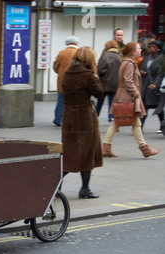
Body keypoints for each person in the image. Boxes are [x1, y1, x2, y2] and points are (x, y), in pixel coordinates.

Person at [102, 42, 160, 158]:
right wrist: (136, 93)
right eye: (138, 49)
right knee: (127, 123)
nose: (140, 51)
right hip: (127, 97)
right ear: (132, 51)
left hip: (124, 96)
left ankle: (106, 148)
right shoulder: (129, 63)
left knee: (124, 123)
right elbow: (128, 81)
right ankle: (145, 149)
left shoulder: (127, 62)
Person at [61, 46, 104, 199]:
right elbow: (99, 93)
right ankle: (84, 189)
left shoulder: (68, 73)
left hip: (69, 119)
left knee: (69, 154)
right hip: (85, 120)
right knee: (86, 154)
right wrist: (95, 74)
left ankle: (55, 185)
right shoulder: (88, 76)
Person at [52, 35, 79, 127]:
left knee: (61, 101)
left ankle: (58, 119)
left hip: (62, 81)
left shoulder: (62, 53)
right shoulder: (79, 53)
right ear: (76, 43)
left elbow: (55, 67)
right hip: (76, 81)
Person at [140, 39, 163, 132]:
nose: (151, 49)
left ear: (158, 49)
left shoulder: (161, 59)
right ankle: (139, 128)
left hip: (155, 86)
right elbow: (141, 68)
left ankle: (162, 125)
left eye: (154, 47)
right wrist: (141, 72)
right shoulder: (146, 58)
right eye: (150, 47)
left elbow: (161, 73)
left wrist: (156, 84)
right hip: (146, 86)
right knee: (144, 107)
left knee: (159, 108)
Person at [96, 40, 121, 122]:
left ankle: (96, 116)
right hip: (115, 84)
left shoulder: (104, 56)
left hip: (104, 84)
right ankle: (111, 118)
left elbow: (100, 70)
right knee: (112, 102)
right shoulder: (119, 57)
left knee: (100, 102)